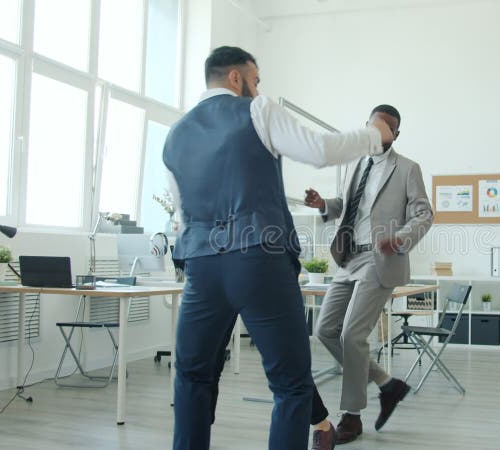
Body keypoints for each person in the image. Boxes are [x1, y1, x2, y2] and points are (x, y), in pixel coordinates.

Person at [164, 45, 394, 450]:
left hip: (200, 268)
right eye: (254, 80)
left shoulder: (174, 135)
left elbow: (182, 218)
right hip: (258, 260)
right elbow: (320, 150)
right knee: (290, 384)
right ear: (236, 78)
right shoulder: (257, 110)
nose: (257, 89)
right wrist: (375, 136)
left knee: (192, 377)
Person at [303, 104, 433, 444]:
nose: (376, 132)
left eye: (385, 127)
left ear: (395, 134)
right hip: (347, 259)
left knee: (351, 335)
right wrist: (323, 205)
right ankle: (388, 385)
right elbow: (348, 207)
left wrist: (400, 239)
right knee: (325, 329)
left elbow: (424, 215)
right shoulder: (355, 164)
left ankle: (352, 417)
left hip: (379, 260)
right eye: (372, 126)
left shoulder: (407, 169)